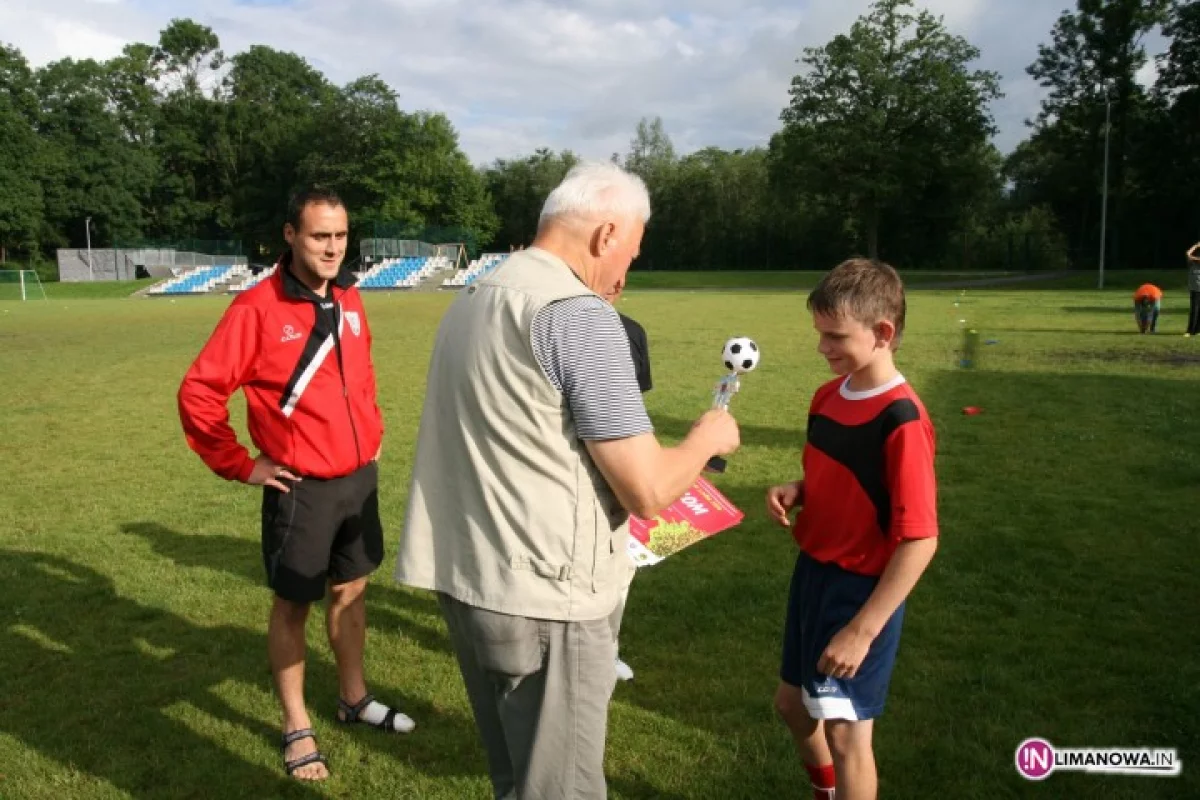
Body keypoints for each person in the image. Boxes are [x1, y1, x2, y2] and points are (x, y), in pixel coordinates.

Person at [395, 161, 740, 799]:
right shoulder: (577, 315)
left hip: (475, 581)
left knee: (518, 782)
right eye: (630, 255)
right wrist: (707, 439)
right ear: (607, 235)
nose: (624, 277)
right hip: (547, 601)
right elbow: (646, 488)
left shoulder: (479, 292)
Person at [177, 188, 414, 783]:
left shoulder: (351, 296)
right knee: (293, 606)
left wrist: (373, 431)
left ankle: (353, 699)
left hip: (358, 481)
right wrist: (240, 463)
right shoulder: (256, 308)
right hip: (300, 488)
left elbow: (358, 376)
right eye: (319, 236)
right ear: (290, 235)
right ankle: (296, 726)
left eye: (340, 236)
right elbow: (200, 393)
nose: (333, 248)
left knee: (353, 590)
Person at [766, 258, 939, 800]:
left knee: (846, 732)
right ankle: (828, 792)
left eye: (835, 336)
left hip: (861, 590)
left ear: (882, 333)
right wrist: (800, 489)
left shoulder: (902, 420)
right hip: (812, 573)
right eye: (820, 334)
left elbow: (920, 539)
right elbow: (844, 475)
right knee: (792, 706)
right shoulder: (828, 396)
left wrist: (863, 630)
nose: (823, 348)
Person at [602, 279, 652, 683]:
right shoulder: (562, 327)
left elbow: (635, 409)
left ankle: (606, 650)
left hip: (620, 470)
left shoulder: (632, 331)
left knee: (622, 568)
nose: (614, 284)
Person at [1186, 243, 1200, 337]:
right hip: (1194, 289)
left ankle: (1198, 331)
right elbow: (1188, 254)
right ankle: (1190, 331)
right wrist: (1196, 245)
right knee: (1194, 310)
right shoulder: (1192, 264)